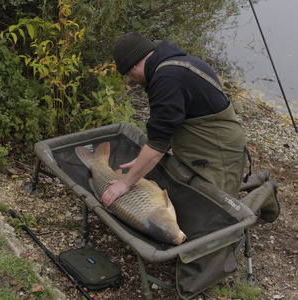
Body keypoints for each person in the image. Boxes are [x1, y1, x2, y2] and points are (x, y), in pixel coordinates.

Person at [101, 31, 250, 209]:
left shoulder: (167, 79)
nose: (132, 80)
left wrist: (124, 184)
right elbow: (166, 128)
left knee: (223, 214)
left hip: (220, 150)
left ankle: (264, 193)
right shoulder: (171, 66)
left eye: (128, 75)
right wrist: (142, 161)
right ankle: (249, 182)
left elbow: (156, 147)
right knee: (198, 194)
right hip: (200, 144)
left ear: (133, 66)